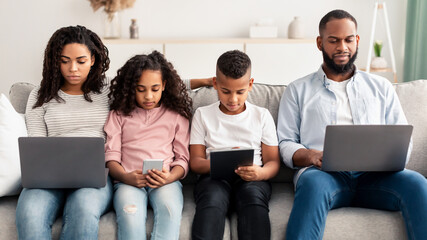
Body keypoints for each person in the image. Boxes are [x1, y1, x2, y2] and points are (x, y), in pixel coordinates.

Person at [277, 9, 427, 240]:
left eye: (348, 40)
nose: (342, 47)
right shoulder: (297, 90)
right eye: (334, 40)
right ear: (320, 43)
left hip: (377, 177)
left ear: (357, 41)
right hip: (323, 175)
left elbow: (403, 139)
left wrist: (391, 159)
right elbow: (285, 142)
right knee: (312, 184)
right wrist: (311, 156)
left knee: (417, 182)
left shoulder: (381, 87)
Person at [15, 25, 113, 239]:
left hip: (94, 178)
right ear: (54, 60)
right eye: (64, 60)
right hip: (47, 177)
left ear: (93, 59)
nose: (73, 69)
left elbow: (154, 84)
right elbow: (37, 143)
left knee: (84, 211)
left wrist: (202, 81)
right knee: (31, 213)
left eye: (81, 61)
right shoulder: (40, 95)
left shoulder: (109, 90)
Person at [190, 50, 280, 240]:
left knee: (253, 201)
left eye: (240, 92)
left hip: (252, 178)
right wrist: (222, 163)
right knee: (212, 201)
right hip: (212, 178)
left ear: (250, 84)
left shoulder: (261, 115)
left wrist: (261, 173)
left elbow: (273, 162)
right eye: (225, 91)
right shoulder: (202, 114)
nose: (233, 99)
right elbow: (196, 162)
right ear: (215, 84)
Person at [104, 51, 192, 240]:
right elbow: (111, 158)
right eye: (141, 89)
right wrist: (126, 177)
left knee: (169, 211)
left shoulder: (177, 116)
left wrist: (169, 177)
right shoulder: (118, 115)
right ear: (130, 88)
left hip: (165, 181)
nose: (148, 96)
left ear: (164, 86)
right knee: (130, 215)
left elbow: (183, 159)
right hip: (128, 181)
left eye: (154, 88)